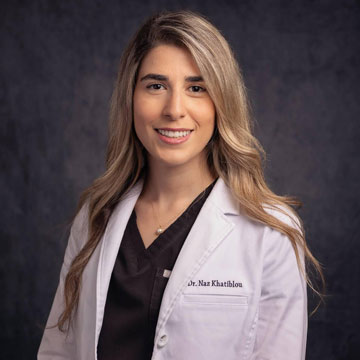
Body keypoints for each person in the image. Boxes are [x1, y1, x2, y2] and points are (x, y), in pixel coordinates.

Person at [38, 9, 323, 360]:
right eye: (156, 86)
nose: (174, 109)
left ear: (222, 103)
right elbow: (58, 352)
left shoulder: (271, 232)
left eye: (197, 88)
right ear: (131, 98)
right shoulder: (95, 217)